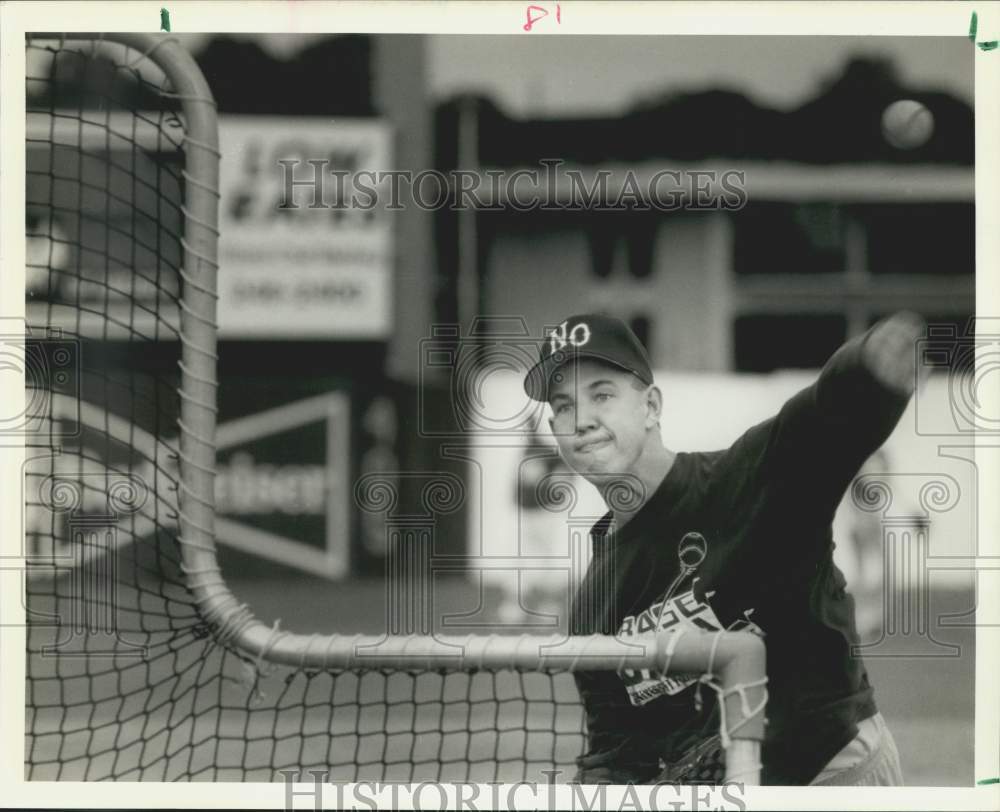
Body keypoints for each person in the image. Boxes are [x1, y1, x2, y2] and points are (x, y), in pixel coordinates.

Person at [522, 312, 923, 786]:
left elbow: (823, 419)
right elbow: (618, 750)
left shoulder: (746, 482)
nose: (582, 420)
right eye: (563, 406)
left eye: (602, 395)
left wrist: (869, 365)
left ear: (651, 406)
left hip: (833, 777)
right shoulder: (593, 606)